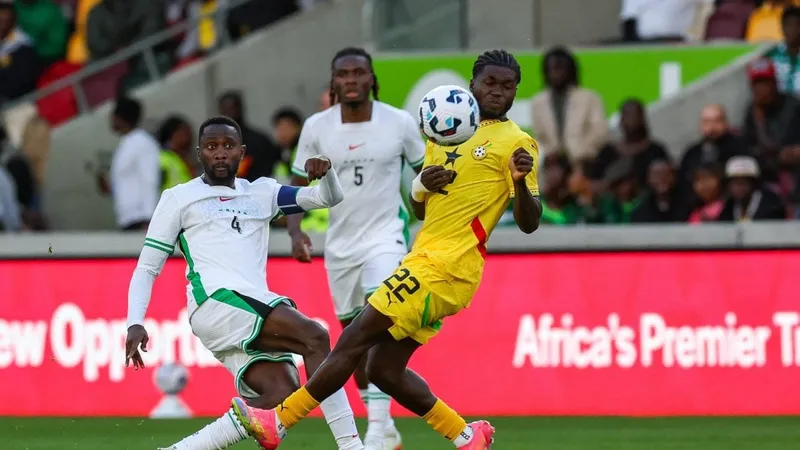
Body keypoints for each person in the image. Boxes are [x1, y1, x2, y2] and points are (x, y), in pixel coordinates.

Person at [233, 49, 542, 450]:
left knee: (352, 339)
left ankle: (280, 420)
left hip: (447, 266)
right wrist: (422, 185)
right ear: (472, 85)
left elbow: (529, 221)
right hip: (425, 258)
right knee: (382, 368)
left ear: (516, 90)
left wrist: (518, 182)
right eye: (490, 83)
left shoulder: (517, 143)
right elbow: (418, 206)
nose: (498, 91)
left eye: (507, 86)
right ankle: (467, 436)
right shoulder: (443, 127)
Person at [125, 116, 365, 450]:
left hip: (247, 305)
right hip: (215, 301)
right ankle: (352, 446)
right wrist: (135, 321)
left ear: (243, 151)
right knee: (316, 337)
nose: (220, 153)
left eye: (228, 146)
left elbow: (327, 198)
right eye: (211, 147)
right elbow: (148, 267)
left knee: (281, 392)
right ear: (199, 153)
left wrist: (327, 172)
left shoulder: (262, 192)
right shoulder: (179, 198)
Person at [286, 47, 426, 450]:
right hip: (341, 246)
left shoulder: (398, 123)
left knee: (376, 325)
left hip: (386, 236)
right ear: (333, 82)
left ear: (371, 78)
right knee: (353, 340)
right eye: (342, 74)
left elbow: (425, 175)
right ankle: (385, 427)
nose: (350, 79)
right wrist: (295, 233)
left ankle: (379, 430)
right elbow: (296, 184)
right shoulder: (317, 127)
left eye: (358, 73)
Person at [530, 47, 608, 161]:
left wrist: (580, 155)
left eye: (561, 68)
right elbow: (540, 137)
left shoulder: (590, 98)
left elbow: (599, 133)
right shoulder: (537, 102)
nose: (556, 73)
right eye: (553, 69)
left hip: (587, 161)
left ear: (571, 70)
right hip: (553, 165)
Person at [108, 96, 161, 231]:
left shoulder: (143, 142)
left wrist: (149, 218)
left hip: (141, 218)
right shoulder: (126, 144)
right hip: (127, 218)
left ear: (119, 117)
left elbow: (150, 180)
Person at [592, 99, 670, 187]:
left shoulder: (656, 151)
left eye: (634, 115)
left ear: (642, 118)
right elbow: (594, 182)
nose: (630, 120)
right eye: (626, 115)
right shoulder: (607, 152)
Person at [678, 104, 747, 196]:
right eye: (706, 122)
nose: (711, 127)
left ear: (726, 123)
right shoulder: (691, 154)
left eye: (717, 121)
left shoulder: (739, 147)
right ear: (700, 126)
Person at [218, 91, 282, 180]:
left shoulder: (259, 141)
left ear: (240, 108)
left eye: (233, 108)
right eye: (225, 109)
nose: (230, 113)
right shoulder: (216, 146)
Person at [717, 155, 786, 221]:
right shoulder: (728, 208)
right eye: (735, 183)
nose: (739, 188)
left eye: (743, 183)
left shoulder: (772, 207)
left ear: (754, 184)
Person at [631, 158, 690, 223]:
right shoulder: (640, 212)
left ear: (675, 178)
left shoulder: (689, 206)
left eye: (666, 174)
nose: (661, 179)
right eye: (656, 175)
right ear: (648, 179)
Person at [767, 6, 800, 96]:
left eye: (797, 25)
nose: (793, 30)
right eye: (788, 25)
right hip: (778, 107)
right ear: (781, 27)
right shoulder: (771, 55)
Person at [156, 115, 195, 191]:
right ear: (173, 134)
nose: (190, 137)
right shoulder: (163, 159)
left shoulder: (182, 158)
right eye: (186, 133)